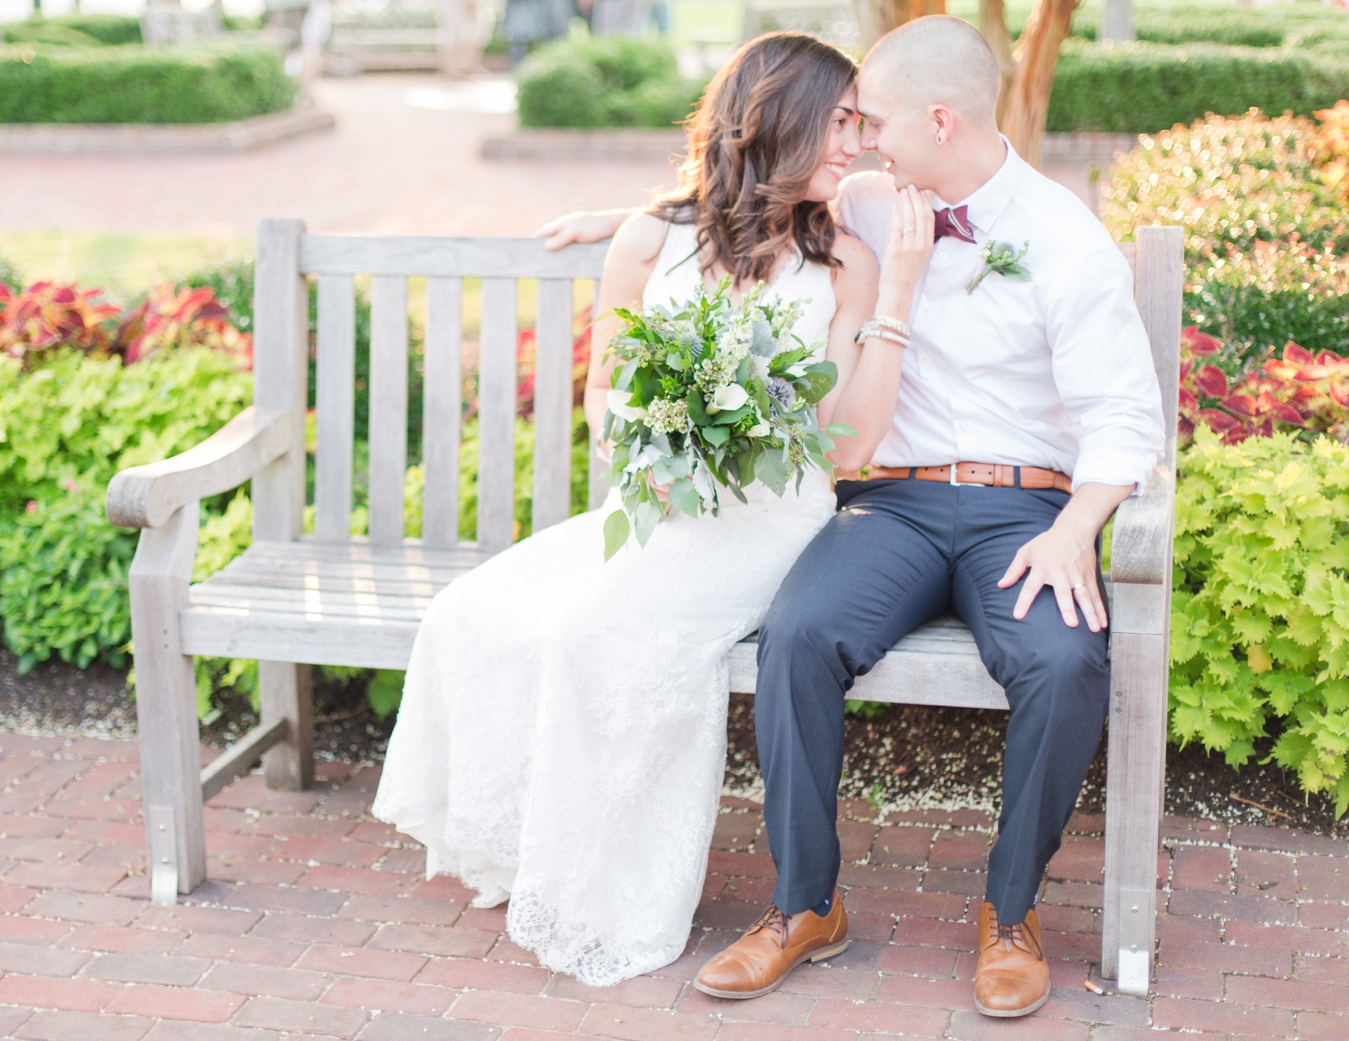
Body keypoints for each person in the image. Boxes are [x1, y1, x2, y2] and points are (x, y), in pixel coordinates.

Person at [535, 15, 1165, 1016]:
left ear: (940, 121)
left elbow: (1127, 417)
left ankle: (1011, 913)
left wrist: (1074, 529)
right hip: (893, 504)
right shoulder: (872, 198)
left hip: (1025, 509)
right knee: (800, 634)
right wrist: (626, 217)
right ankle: (803, 906)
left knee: (1063, 658)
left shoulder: (1062, 238)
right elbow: (759, 190)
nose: (861, 140)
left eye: (872, 121)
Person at [372, 31, 933, 987]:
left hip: (771, 522)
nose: (858, 144)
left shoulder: (845, 258)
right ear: (776, 117)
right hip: (664, 506)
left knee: (594, 630)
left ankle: (608, 888)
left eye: (859, 124)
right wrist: (640, 443)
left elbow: (850, 447)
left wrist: (898, 302)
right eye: (840, 121)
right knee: (475, 613)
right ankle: (530, 849)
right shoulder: (649, 239)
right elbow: (606, 383)